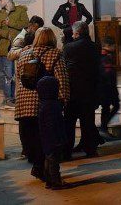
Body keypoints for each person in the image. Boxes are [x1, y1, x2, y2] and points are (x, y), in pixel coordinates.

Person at [14, 27, 70, 181]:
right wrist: (63, 100)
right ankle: (47, 172)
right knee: (48, 140)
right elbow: (62, 80)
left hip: (24, 104)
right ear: (52, 38)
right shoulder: (55, 54)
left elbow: (19, 78)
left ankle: (39, 167)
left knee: (33, 139)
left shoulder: (24, 54)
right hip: (45, 104)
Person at [61, 21, 100, 160]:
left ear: (76, 33)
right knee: (88, 122)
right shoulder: (94, 46)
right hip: (89, 90)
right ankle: (91, 150)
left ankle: (66, 152)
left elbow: (64, 68)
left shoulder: (69, 47)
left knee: (69, 123)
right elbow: (97, 70)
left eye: (73, 32)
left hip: (73, 90)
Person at [0, 0, 29, 108]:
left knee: (20, 73)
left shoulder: (20, 11)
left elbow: (26, 24)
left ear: (7, 1)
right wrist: (6, 33)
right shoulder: (1, 14)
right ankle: (9, 98)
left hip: (18, 48)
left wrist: (10, 23)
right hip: (5, 48)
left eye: (1, 0)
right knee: (8, 74)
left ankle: (21, 96)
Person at [37, 75, 67, 190]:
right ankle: (56, 182)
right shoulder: (52, 105)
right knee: (54, 160)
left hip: (46, 137)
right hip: (54, 137)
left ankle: (49, 181)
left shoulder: (43, 104)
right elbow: (54, 123)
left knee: (49, 158)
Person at [97, 36, 120, 138]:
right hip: (107, 87)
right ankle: (103, 127)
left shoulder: (103, 55)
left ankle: (103, 128)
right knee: (114, 106)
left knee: (106, 108)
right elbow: (108, 73)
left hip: (104, 87)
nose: (115, 47)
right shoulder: (106, 56)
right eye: (113, 45)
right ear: (108, 46)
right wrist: (112, 88)